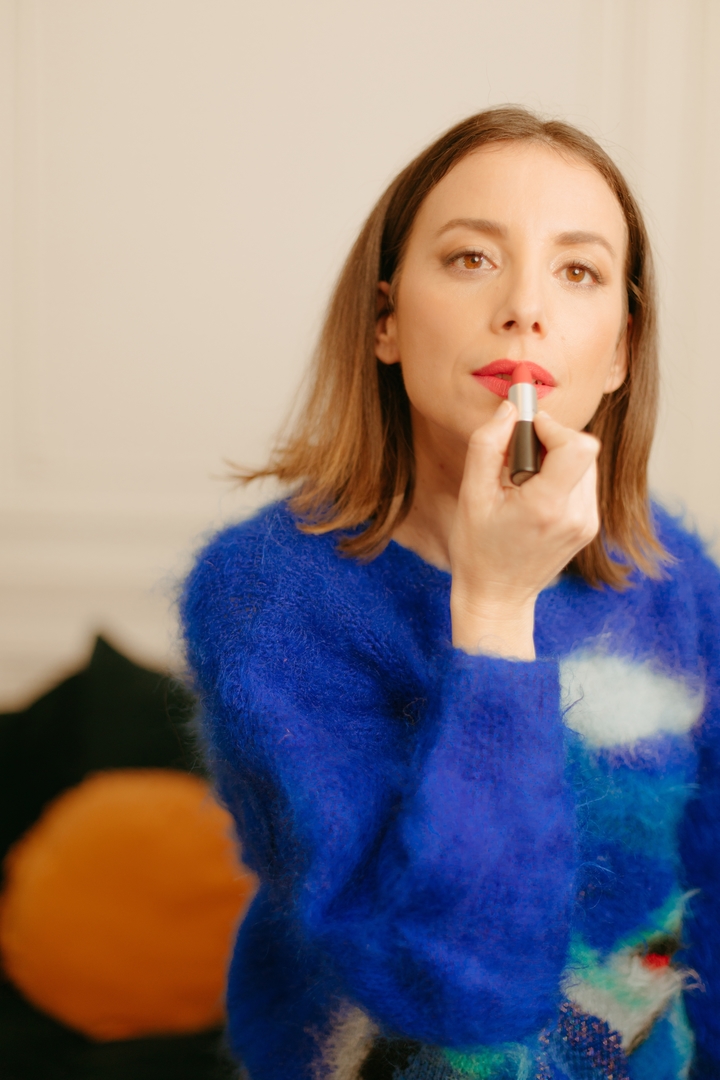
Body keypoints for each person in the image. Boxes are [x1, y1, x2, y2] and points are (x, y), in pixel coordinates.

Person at [181, 107, 720, 1080]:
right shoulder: (266, 597)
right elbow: (459, 995)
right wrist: (495, 611)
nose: (525, 308)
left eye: (579, 271)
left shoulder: (671, 572)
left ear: (620, 351)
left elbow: (711, 883)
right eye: (473, 259)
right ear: (385, 320)